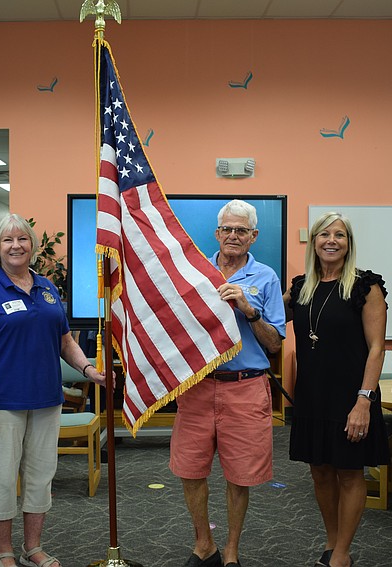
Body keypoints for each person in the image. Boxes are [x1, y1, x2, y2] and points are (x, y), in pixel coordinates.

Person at [0, 213, 108, 567]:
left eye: (22, 239)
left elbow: (65, 340)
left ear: (32, 246)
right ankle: (3, 552)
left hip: (46, 400)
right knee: (1, 478)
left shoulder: (46, 287)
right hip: (2, 403)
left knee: (41, 478)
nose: (16, 245)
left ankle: (32, 548)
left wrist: (88, 369)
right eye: (8, 240)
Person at [169, 199, 286, 567]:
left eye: (241, 231)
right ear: (217, 233)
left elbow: (275, 344)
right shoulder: (193, 271)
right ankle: (204, 544)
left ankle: (232, 551)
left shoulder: (265, 277)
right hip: (198, 388)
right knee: (190, 469)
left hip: (245, 387)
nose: (233, 236)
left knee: (240, 474)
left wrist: (249, 312)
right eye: (227, 230)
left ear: (253, 236)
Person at [284, 212, 390, 567]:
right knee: (320, 471)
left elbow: (377, 347)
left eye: (340, 235)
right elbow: (267, 321)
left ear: (349, 243)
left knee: (348, 471)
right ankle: (332, 541)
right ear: (313, 241)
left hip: (351, 395)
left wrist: (364, 401)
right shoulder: (300, 287)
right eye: (324, 234)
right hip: (312, 394)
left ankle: (342, 553)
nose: (332, 240)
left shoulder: (365, 286)